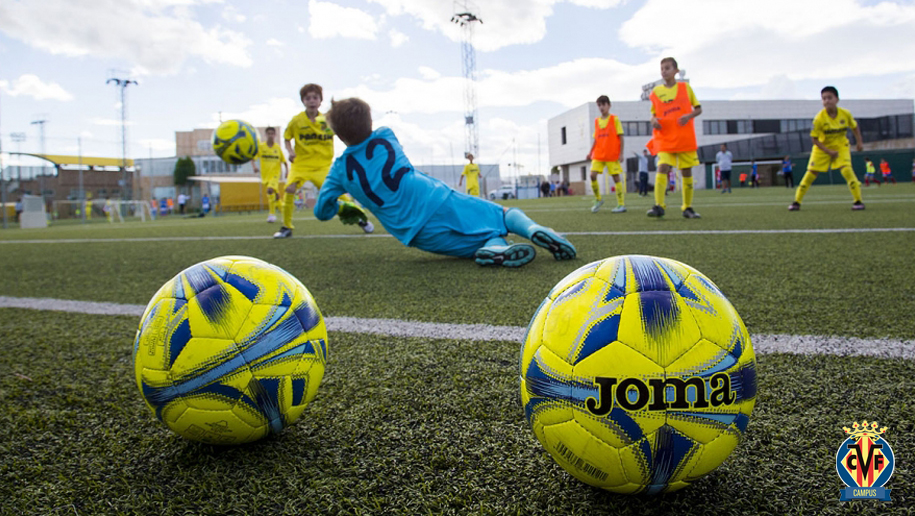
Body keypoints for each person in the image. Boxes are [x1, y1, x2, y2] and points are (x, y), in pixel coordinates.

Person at [314, 97, 577, 268]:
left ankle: (496, 249)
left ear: (338, 135)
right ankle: (534, 229)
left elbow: (321, 211)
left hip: (411, 232)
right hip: (433, 198)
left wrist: (340, 207)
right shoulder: (385, 134)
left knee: (482, 240)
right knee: (501, 215)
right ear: (370, 122)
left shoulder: (339, 170)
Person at [275, 83, 372, 238]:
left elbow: (343, 134)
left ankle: (361, 218)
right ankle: (286, 227)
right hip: (301, 165)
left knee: (339, 194)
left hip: (323, 166)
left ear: (320, 100)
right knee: (290, 189)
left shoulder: (327, 120)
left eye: (315, 97)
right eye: (308, 98)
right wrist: (291, 152)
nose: (311, 101)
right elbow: (287, 138)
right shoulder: (296, 121)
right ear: (303, 101)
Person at [789, 86, 865, 211]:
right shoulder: (819, 118)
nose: (827, 101)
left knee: (847, 170)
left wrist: (859, 142)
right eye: (824, 98)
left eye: (829, 98)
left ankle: (858, 201)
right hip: (822, 148)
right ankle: (796, 202)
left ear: (837, 99)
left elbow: (854, 127)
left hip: (841, 147)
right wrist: (828, 151)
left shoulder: (845, 114)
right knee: (810, 174)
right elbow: (814, 139)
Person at [646, 57, 702, 219]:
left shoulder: (685, 88)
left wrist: (688, 116)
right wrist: (653, 121)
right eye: (662, 68)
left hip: (684, 137)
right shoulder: (656, 92)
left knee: (686, 171)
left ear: (676, 71)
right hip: (664, 138)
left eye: (667, 68)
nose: (664, 71)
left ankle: (687, 208)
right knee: (662, 166)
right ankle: (659, 206)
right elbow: (653, 114)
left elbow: (698, 109)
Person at [587, 95, 626, 213]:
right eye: (599, 105)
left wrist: (621, 153)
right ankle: (598, 199)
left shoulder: (615, 119)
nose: (601, 107)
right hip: (598, 154)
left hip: (611, 154)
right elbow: (596, 139)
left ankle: (621, 204)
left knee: (616, 178)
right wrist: (590, 152)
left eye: (603, 104)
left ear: (609, 105)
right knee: (592, 175)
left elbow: (621, 137)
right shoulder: (596, 121)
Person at [252, 126, 288, 223]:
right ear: (266, 135)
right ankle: (284, 213)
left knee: (270, 190)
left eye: (272, 134)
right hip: (265, 175)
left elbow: (284, 161)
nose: (270, 135)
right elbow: (253, 158)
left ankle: (272, 214)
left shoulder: (277, 148)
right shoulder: (261, 147)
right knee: (275, 196)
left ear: (275, 135)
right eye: (269, 134)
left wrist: (287, 172)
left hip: (275, 175)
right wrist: (254, 167)